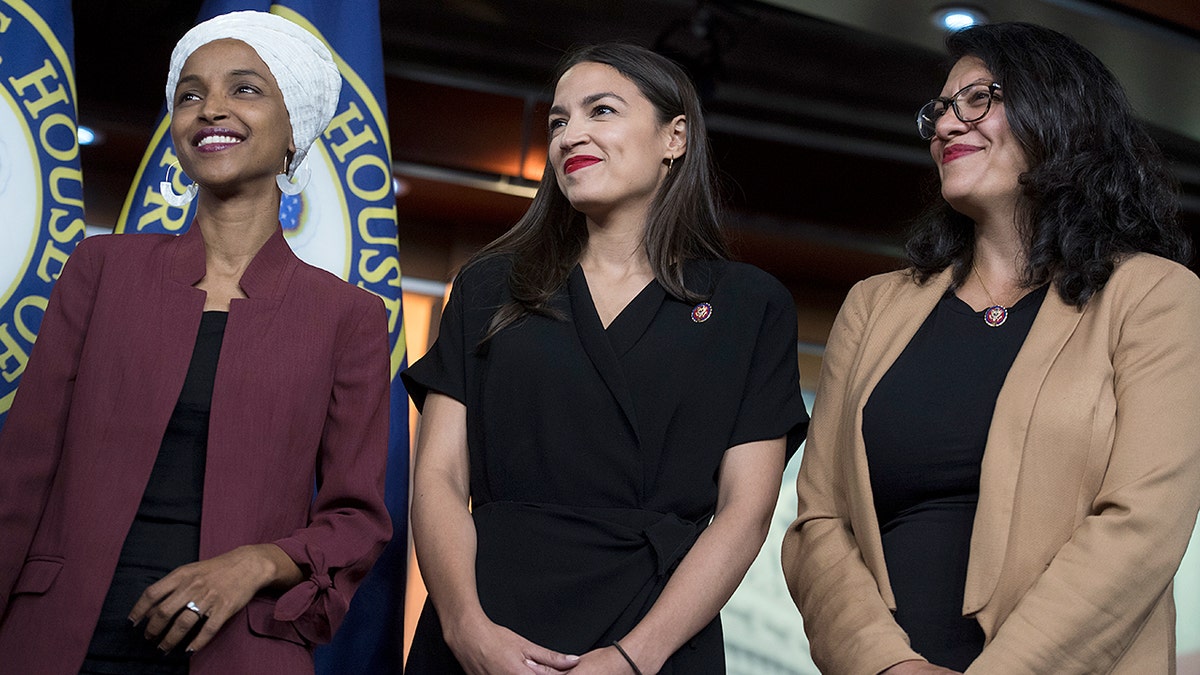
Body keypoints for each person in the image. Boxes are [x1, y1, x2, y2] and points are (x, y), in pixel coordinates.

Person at [780, 21, 1200, 674]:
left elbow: (1142, 524)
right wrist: (889, 666)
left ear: (1062, 113)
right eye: (940, 110)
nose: (947, 124)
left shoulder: (1156, 296)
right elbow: (818, 528)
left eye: (979, 98)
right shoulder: (872, 306)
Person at [0, 11, 391, 675]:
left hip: (242, 649)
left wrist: (258, 562)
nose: (210, 108)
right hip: (56, 639)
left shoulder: (347, 315)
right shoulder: (99, 269)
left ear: (294, 126)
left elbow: (356, 518)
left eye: (244, 89)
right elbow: (19, 471)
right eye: (190, 94)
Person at [402, 42, 808, 674]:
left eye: (602, 111)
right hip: (487, 628)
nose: (571, 135)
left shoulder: (749, 305)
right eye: (559, 120)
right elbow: (438, 479)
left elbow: (744, 513)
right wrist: (465, 628)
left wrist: (633, 658)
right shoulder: (488, 286)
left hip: (656, 632)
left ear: (674, 137)